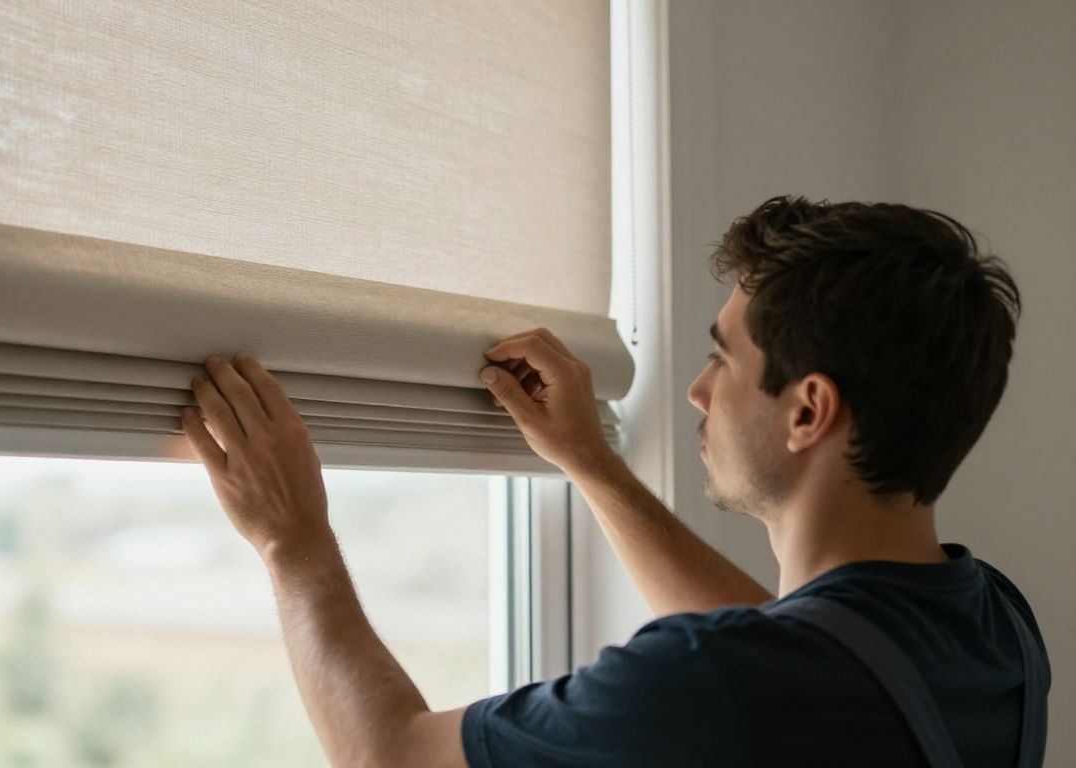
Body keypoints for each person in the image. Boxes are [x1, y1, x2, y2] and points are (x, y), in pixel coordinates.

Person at [179, 195, 1049, 767]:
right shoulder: (995, 628)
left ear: (808, 411)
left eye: (723, 357)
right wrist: (592, 463)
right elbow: (787, 650)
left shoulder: (710, 680)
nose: (697, 390)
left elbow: (391, 755)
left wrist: (292, 542)